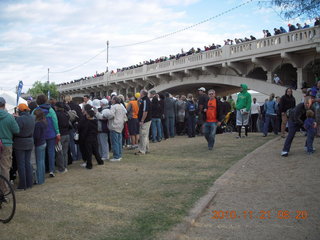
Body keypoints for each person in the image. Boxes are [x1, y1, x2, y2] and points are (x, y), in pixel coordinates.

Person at [33, 95, 60, 177]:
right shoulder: (51, 110)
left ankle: (42, 170)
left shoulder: (35, 110)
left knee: (41, 154)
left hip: (40, 135)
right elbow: (55, 121)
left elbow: (32, 121)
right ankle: (51, 170)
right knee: (51, 152)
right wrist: (57, 132)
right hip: (51, 134)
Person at [13, 103, 35, 190]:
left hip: (20, 142)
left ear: (20, 110)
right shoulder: (32, 117)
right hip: (30, 141)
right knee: (27, 163)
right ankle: (29, 183)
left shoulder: (20, 119)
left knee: (21, 164)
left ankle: (23, 185)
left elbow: (16, 131)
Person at [0, 97, 20, 182]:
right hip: (6, 144)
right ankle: (5, 191)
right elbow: (16, 130)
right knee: (5, 168)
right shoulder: (9, 117)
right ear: (4, 105)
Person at [102, 96, 127, 161]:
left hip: (114, 125)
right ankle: (119, 155)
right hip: (120, 125)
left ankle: (116, 156)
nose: (111, 101)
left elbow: (111, 115)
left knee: (114, 142)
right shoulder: (122, 107)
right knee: (119, 142)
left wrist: (105, 116)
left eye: (112, 100)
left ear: (114, 101)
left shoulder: (113, 107)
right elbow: (125, 117)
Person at [55, 102, 70, 173]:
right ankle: (65, 166)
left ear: (57, 107)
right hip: (67, 134)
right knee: (65, 152)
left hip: (60, 135)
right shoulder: (66, 114)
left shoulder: (56, 114)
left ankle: (62, 168)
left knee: (59, 152)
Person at [135, 89, 152, 155]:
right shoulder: (145, 100)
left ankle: (142, 150)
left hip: (145, 120)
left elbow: (145, 111)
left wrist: (142, 120)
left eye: (140, 93)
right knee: (145, 135)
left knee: (143, 135)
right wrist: (138, 101)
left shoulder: (145, 101)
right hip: (147, 120)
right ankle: (146, 149)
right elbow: (141, 109)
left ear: (142, 94)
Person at [33, 109, 47, 185]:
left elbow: (37, 136)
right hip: (43, 142)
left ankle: (40, 180)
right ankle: (42, 179)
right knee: (42, 162)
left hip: (39, 144)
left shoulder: (38, 124)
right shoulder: (44, 122)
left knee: (39, 162)